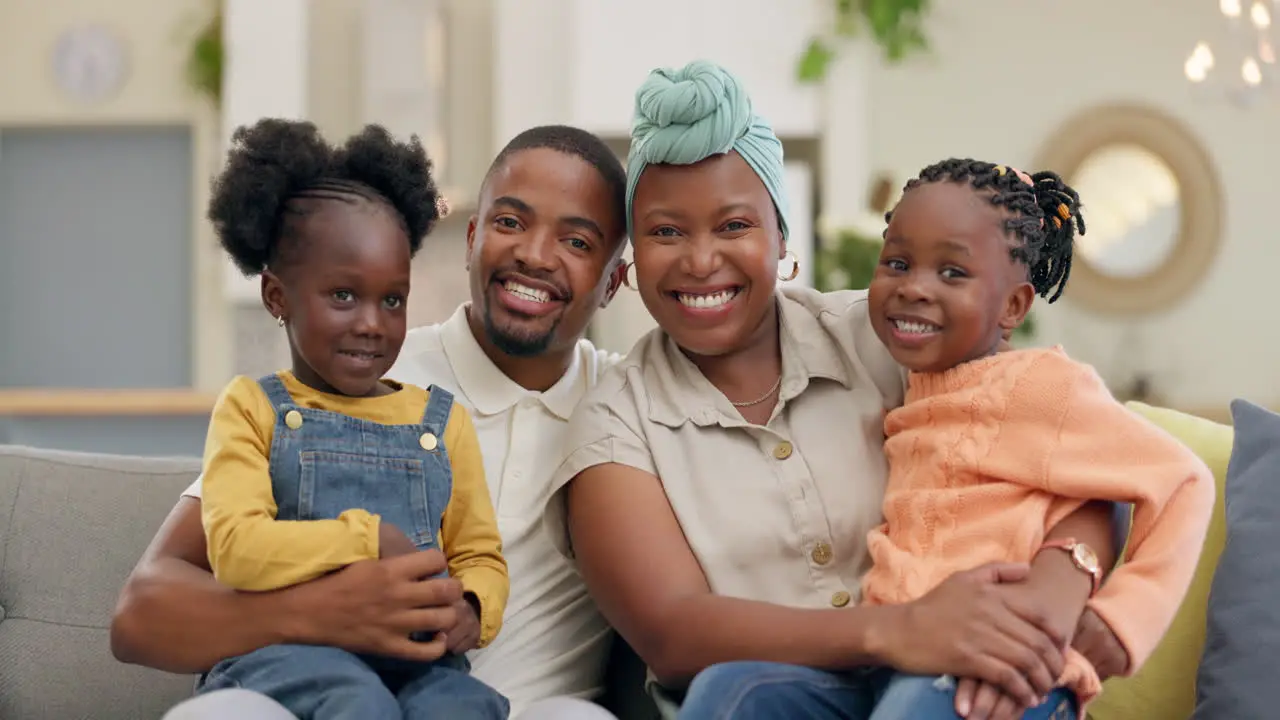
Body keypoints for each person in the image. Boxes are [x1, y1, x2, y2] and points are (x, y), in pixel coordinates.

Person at [544, 60, 1139, 720]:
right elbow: (675, 633)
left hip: (953, 684)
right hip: (787, 698)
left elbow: (1086, 465)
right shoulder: (614, 422)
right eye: (666, 231)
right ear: (630, 263)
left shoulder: (892, 334)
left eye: (734, 226)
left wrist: (1056, 592)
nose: (700, 259)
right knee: (725, 691)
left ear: (782, 240)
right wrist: (897, 631)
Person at [110, 124, 631, 720]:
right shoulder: (349, 377)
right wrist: (329, 607)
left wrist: (470, 605)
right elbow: (140, 615)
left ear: (615, 280)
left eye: (579, 242)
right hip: (301, 687)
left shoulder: (630, 404)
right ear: (470, 238)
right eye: (510, 222)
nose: (534, 255)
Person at [849, 159, 1215, 720]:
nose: (914, 288)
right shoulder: (914, 382)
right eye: (897, 263)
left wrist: (1126, 618)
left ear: (1013, 307)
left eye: (952, 273)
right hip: (898, 659)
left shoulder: (1040, 387)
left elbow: (1184, 479)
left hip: (1002, 675)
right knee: (747, 690)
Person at [192, 118, 510, 719]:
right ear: (277, 297)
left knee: (466, 707)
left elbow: (480, 555)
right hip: (284, 657)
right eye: (343, 296)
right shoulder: (251, 408)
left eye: (392, 299)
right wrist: (365, 539)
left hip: (418, 660)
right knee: (355, 702)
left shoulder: (442, 424)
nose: (372, 322)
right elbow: (234, 547)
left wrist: (472, 606)